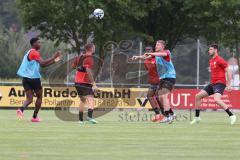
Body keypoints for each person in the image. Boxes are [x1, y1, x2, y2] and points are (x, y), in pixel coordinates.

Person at [16, 37, 61, 122]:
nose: (40, 44)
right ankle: (34, 117)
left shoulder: (30, 52)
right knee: (40, 97)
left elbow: (43, 65)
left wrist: (55, 60)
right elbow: (43, 63)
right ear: (33, 44)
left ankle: (21, 109)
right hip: (34, 79)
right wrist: (53, 57)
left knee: (29, 99)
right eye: (38, 42)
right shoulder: (34, 52)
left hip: (25, 78)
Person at [190, 44, 236, 125]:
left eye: (211, 49)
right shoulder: (211, 61)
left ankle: (232, 115)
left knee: (217, 99)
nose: (209, 51)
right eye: (209, 49)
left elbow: (228, 71)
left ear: (215, 50)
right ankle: (197, 118)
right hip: (213, 84)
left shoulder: (220, 60)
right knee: (198, 96)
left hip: (220, 83)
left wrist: (229, 84)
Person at [131, 46, 165, 122]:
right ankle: (157, 114)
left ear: (152, 51)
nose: (147, 51)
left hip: (160, 81)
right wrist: (137, 57)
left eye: (149, 50)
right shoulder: (146, 61)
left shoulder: (156, 58)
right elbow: (148, 69)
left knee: (157, 97)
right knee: (149, 96)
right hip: (153, 82)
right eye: (146, 50)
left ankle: (164, 114)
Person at [146, 40, 176, 123]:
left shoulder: (166, 52)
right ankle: (172, 114)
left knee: (164, 96)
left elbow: (163, 54)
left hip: (170, 77)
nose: (156, 46)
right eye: (156, 45)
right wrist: (138, 57)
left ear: (162, 46)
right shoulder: (156, 55)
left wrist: (152, 53)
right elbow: (146, 57)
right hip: (162, 78)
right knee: (160, 97)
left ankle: (167, 116)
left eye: (158, 45)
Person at [72, 43, 98, 124]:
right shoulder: (89, 58)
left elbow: (73, 66)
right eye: (94, 47)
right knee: (90, 98)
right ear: (91, 49)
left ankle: (80, 120)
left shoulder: (79, 56)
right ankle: (89, 117)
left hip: (77, 82)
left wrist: (80, 68)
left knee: (83, 101)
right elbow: (88, 71)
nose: (94, 49)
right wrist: (93, 83)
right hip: (85, 82)